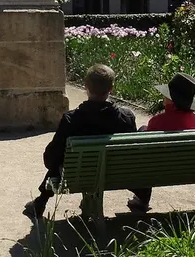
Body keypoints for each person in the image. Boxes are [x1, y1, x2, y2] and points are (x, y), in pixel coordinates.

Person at [23, 64, 137, 219]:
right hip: (116, 175)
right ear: (111, 89)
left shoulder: (71, 120)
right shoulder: (127, 118)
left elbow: (52, 158)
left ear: (85, 87)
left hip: (77, 175)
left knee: (59, 159)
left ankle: (40, 202)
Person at [127, 73, 195, 213]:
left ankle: (143, 198)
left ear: (171, 100)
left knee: (142, 133)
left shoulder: (158, 121)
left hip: (158, 169)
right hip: (188, 169)